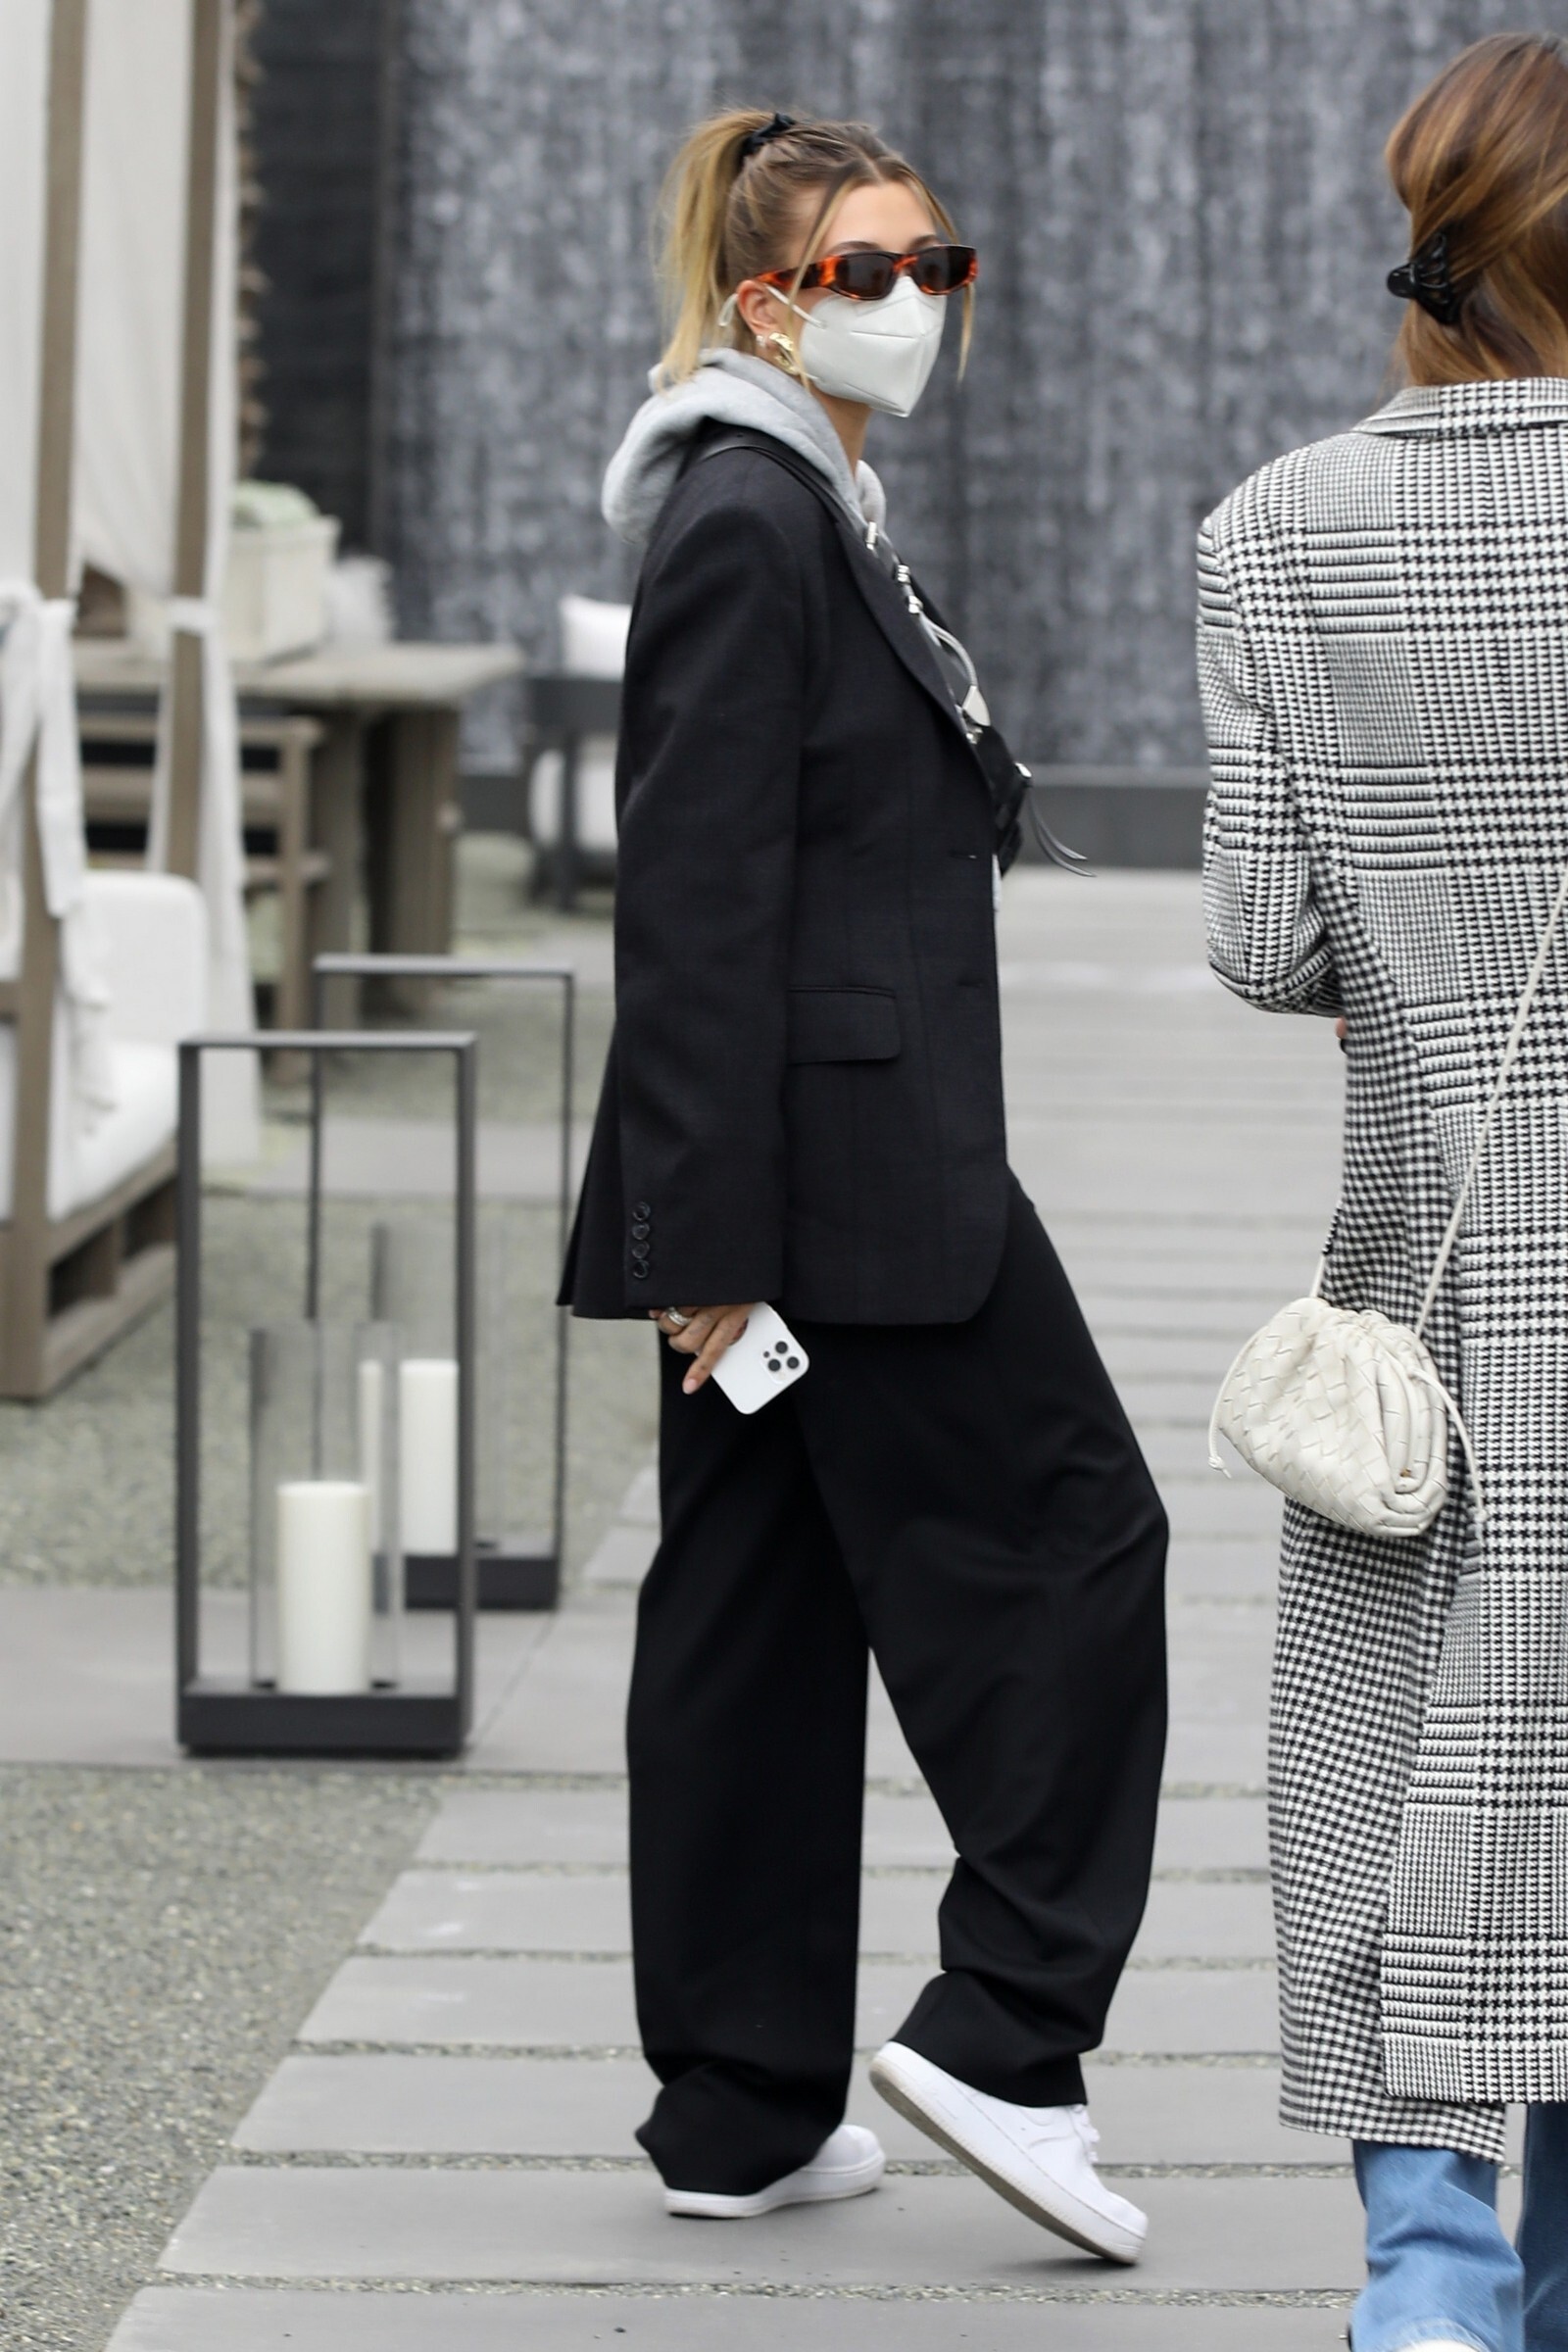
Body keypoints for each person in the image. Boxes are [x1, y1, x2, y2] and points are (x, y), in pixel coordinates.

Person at [560, 106, 1168, 2259]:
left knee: (757, 1606)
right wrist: (706, 1244)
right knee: (1081, 1540)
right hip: (844, 1185)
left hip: (802, 1163)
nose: (914, 303)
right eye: (867, 274)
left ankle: (737, 2109)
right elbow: (690, 901)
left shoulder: (810, 497)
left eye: (938, 265)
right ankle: (1007, 2032)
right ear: (767, 306)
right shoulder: (753, 516)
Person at [1197, 34, 1568, 2352]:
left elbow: (1263, 943)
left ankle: (1426, 2286)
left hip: (1428, 1284)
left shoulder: (1269, 528)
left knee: (1394, 1762)